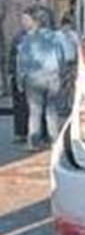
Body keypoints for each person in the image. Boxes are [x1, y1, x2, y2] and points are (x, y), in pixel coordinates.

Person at [15, 6, 66, 151]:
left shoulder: (27, 40)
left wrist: (20, 80)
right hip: (52, 77)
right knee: (52, 110)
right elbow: (62, 58)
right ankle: (55, 141)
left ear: (35, 22)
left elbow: (21, 61)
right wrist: (60, 74)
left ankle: (34, 142)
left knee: (35, 111)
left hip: (33, 78)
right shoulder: (56, 38)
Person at [7, 11, 32, 144]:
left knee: (32, 107)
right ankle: (20, 133)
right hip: (18, 76)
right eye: (23, 20)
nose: (24, 22)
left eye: (27, 19)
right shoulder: (17, 37)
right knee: (19, 106)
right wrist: (11, 72)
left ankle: (33, 133)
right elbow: (12, 55)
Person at [55, 15, 79, 121]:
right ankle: (61, 106)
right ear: (62, 26)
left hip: (72, 62)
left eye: (69, 26)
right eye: (66, 26)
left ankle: (70, 106)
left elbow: (78, 46)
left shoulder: (73, 35)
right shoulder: (57, 35)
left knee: (71, 86)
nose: (67, 28)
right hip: (61, 63)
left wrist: (72, 39)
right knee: (62, 86)